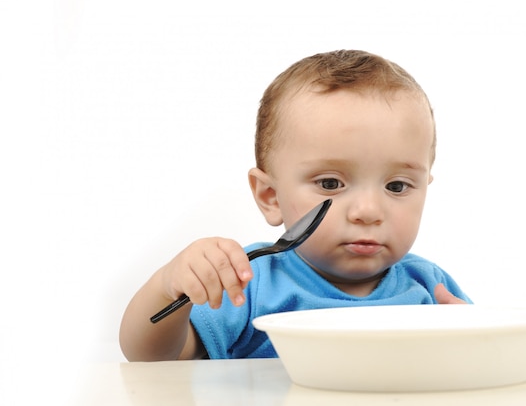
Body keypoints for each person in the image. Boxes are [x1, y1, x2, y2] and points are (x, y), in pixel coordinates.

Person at [119, 49, 471, 361]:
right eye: (330, 184)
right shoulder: (249, 283)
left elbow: (480, 370)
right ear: (270, 197)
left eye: (396, 185)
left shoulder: (427, 287)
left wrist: (474, 339)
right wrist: (168, 285)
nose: (368, 211)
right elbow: (152, 358)